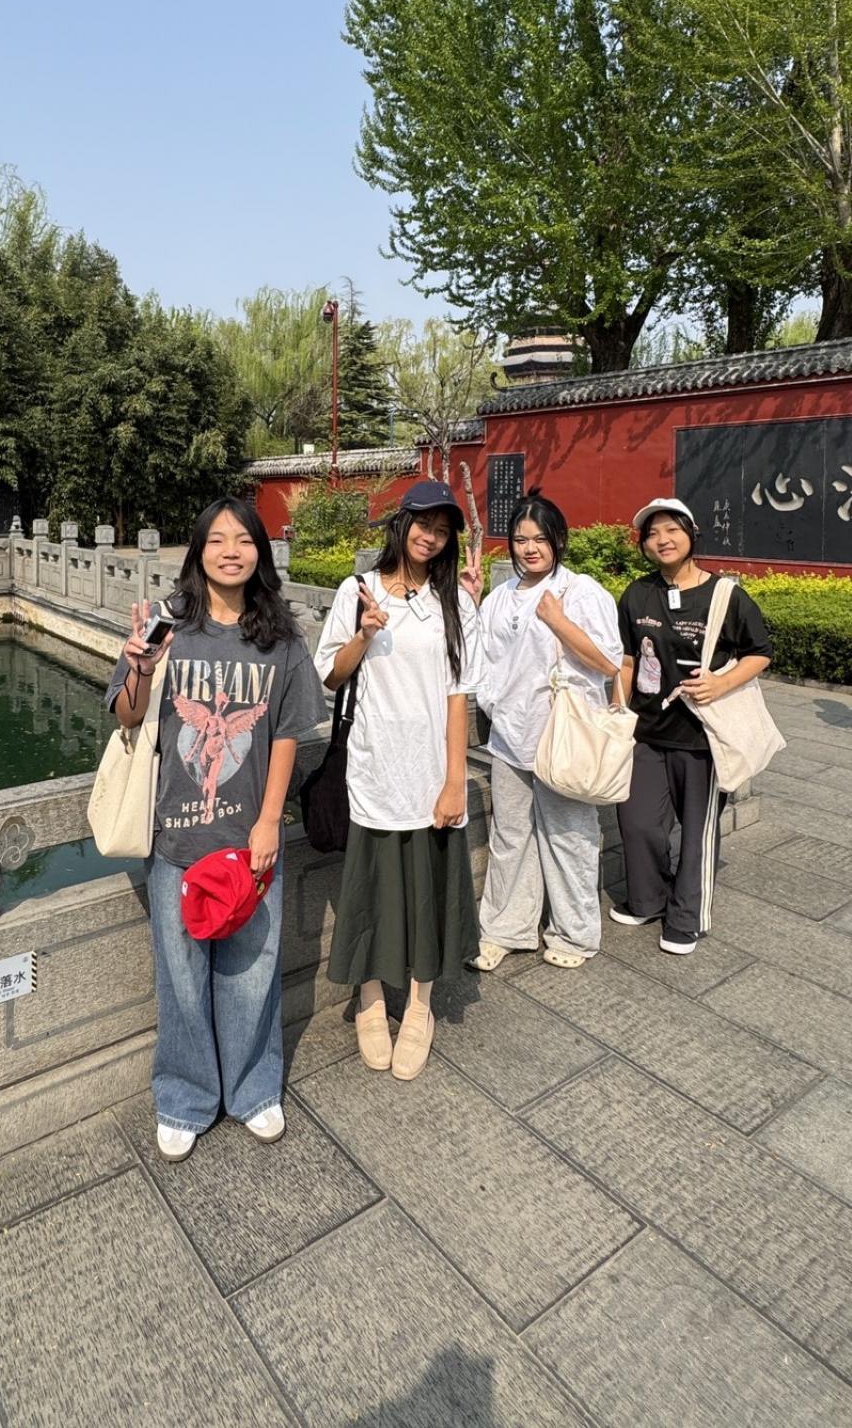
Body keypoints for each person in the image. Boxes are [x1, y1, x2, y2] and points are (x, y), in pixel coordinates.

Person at [105, 497, 324, 1161]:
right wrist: (140, 668)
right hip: (176, 839)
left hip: (250, 842)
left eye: (244, 540)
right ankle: (185, 1095)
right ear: (198, 551)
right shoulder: (169, 624)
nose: (231, 551)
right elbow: (127, 716)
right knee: (180, 981)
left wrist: (269, 821)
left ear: (261, 551)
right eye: (217, 540)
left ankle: (254, 1089)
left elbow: (285, 733)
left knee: (252, 976)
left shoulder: (281, 640)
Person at [313, 481, 483, 1079]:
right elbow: (330, 677)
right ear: (401, 522)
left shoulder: (455, 604)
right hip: (373, 768)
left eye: (441, 529)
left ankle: (418, 1004)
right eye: (422, 523)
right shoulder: (356, 590)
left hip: (429, 773)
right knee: (369, 891)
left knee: (427, 890)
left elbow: (459, 696)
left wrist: (455, 781)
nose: (430, 537)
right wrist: (364, 633)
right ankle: (368, 999)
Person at [464, 490, 623, 973]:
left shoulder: (581, 592)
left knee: (569, 836)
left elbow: (609, 662)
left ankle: (574, 933)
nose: (529, 548)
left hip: (563, 736)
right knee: (510, 836)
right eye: (520, 539)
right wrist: (469, 603)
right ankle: (505, 930)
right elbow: (481, 659)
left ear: (559, 540)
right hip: (510, 737)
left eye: (540, 538)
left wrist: (558, 622)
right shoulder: (499, 597)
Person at [613, 497, 772, 954]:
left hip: (702, 736)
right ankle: (648, 899)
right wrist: (618, 712)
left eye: (671, 530)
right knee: (638, 822)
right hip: (647, 732)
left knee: (697, 833)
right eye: (652, 534)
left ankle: (687, 917)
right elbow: (627, 660)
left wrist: (721, 684)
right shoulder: (637, 594)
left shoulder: (725, 595)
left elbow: (760, 652)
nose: (662, 540)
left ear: (691, 534)